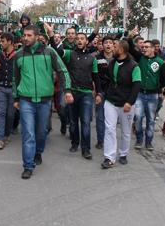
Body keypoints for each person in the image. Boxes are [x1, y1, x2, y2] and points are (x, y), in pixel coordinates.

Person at [13, 25, 72, 179]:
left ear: (37, 36)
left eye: (29, 35)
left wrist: (67, 90)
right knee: (28, 134)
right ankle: (28, 165)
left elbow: (62, 70)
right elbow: (15, 79)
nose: (25, 38)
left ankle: (38, 152)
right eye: (24, 35)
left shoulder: (49, 52)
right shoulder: (18, 55)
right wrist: (16, 97)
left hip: (45, 101)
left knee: (41, 132)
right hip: (26, 100)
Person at [58, 31, 101, 160]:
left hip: (87, 94)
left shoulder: (92, 58)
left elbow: (96, 77)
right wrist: (52, 36)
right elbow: (58, 52)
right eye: (77, 39)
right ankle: (75, 143)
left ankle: (86, 149)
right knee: (73, 121)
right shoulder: (70, 54)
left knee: (86, 122)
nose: (79, 41)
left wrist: (98, 93)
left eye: (82, 38)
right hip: (72, 92)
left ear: (87, 41)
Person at [100, 39, 140, 168]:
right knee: (110, 129)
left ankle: (123, 154)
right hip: (111, 101)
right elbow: (109, 80)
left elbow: (136, 85)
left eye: (115, 46)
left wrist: (130, 102)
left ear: (121, 50)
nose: (112, 47)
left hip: (126, 104)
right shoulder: (112, 63)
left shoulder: (134, 66)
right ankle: (109, 157)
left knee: (126, 131)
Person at [128, 37, 165, 151]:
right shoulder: (140, 58)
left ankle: (149, 141)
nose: (144, 49)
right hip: (140, 94)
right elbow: (130, 48)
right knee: (138, 118)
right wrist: (130, 35)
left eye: (146, 47)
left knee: (151, 120)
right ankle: (139, 139)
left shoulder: (160, 62)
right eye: (143, 47)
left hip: (153, 96)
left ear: (153, 49)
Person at [94, 36, 116, 149]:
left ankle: (110, 140)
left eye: (110, 43)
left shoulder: (118, 59)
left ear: (113, 45)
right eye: (105, 43)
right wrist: (97, 91)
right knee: (100, 117)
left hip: (114, 93)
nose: (108, 45)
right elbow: (94, 75)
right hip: (101, 91)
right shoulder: (97, 58)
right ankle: (101, 140)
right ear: (102, 45)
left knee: (111, 120)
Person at [0, 32, 16, 150]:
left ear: (10, 42)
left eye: (3, 41)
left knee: (10, 114)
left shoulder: (18, 55)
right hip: (1, 87)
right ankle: (0, 138)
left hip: (13, 89)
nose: (1, 43)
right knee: (1, 112)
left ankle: (7, 133)